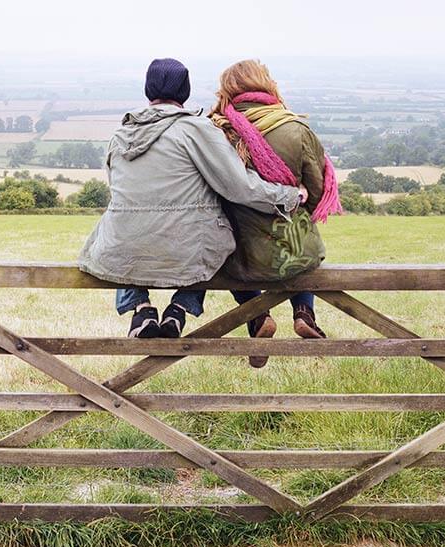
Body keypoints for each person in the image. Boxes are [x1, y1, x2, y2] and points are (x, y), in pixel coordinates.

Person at [78, 58, 305, 347]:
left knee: (124, 228)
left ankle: (140, 307)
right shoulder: (196, 130)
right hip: (185, 250)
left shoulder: (121, 134)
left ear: (149, 91)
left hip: (121, 252)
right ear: (184, 91)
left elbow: (118, 191)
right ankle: (180, 307)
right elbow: (238, 187)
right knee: (214, 244)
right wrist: (289, 196)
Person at [209, 59, 343, 360]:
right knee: (301, 257)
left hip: (240, 252)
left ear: (227, 90)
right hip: (295, 247)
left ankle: (258, 317)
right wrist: (295, 204)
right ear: (266, 83)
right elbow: (317, 191)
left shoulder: (216, 130)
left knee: (228, 259)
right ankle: (304, 313)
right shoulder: (295, 127)